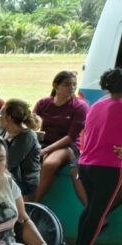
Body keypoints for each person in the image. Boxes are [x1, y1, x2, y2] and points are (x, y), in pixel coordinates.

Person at [72, 68, 122, 245]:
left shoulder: (97, 105)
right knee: (98, 213)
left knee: (91, 209)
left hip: (86, 165)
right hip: (108, 167)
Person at [32, 70, 88, 203]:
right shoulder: (43, 103)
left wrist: (45, 151)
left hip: (68, 146)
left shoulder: (80, 106)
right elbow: (32, 126)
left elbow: (71, 137)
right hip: (43, 141)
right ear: (56, 86)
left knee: (50, 164)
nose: (72, 88)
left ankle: (33, 205)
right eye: (67, 84)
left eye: (74, 84)